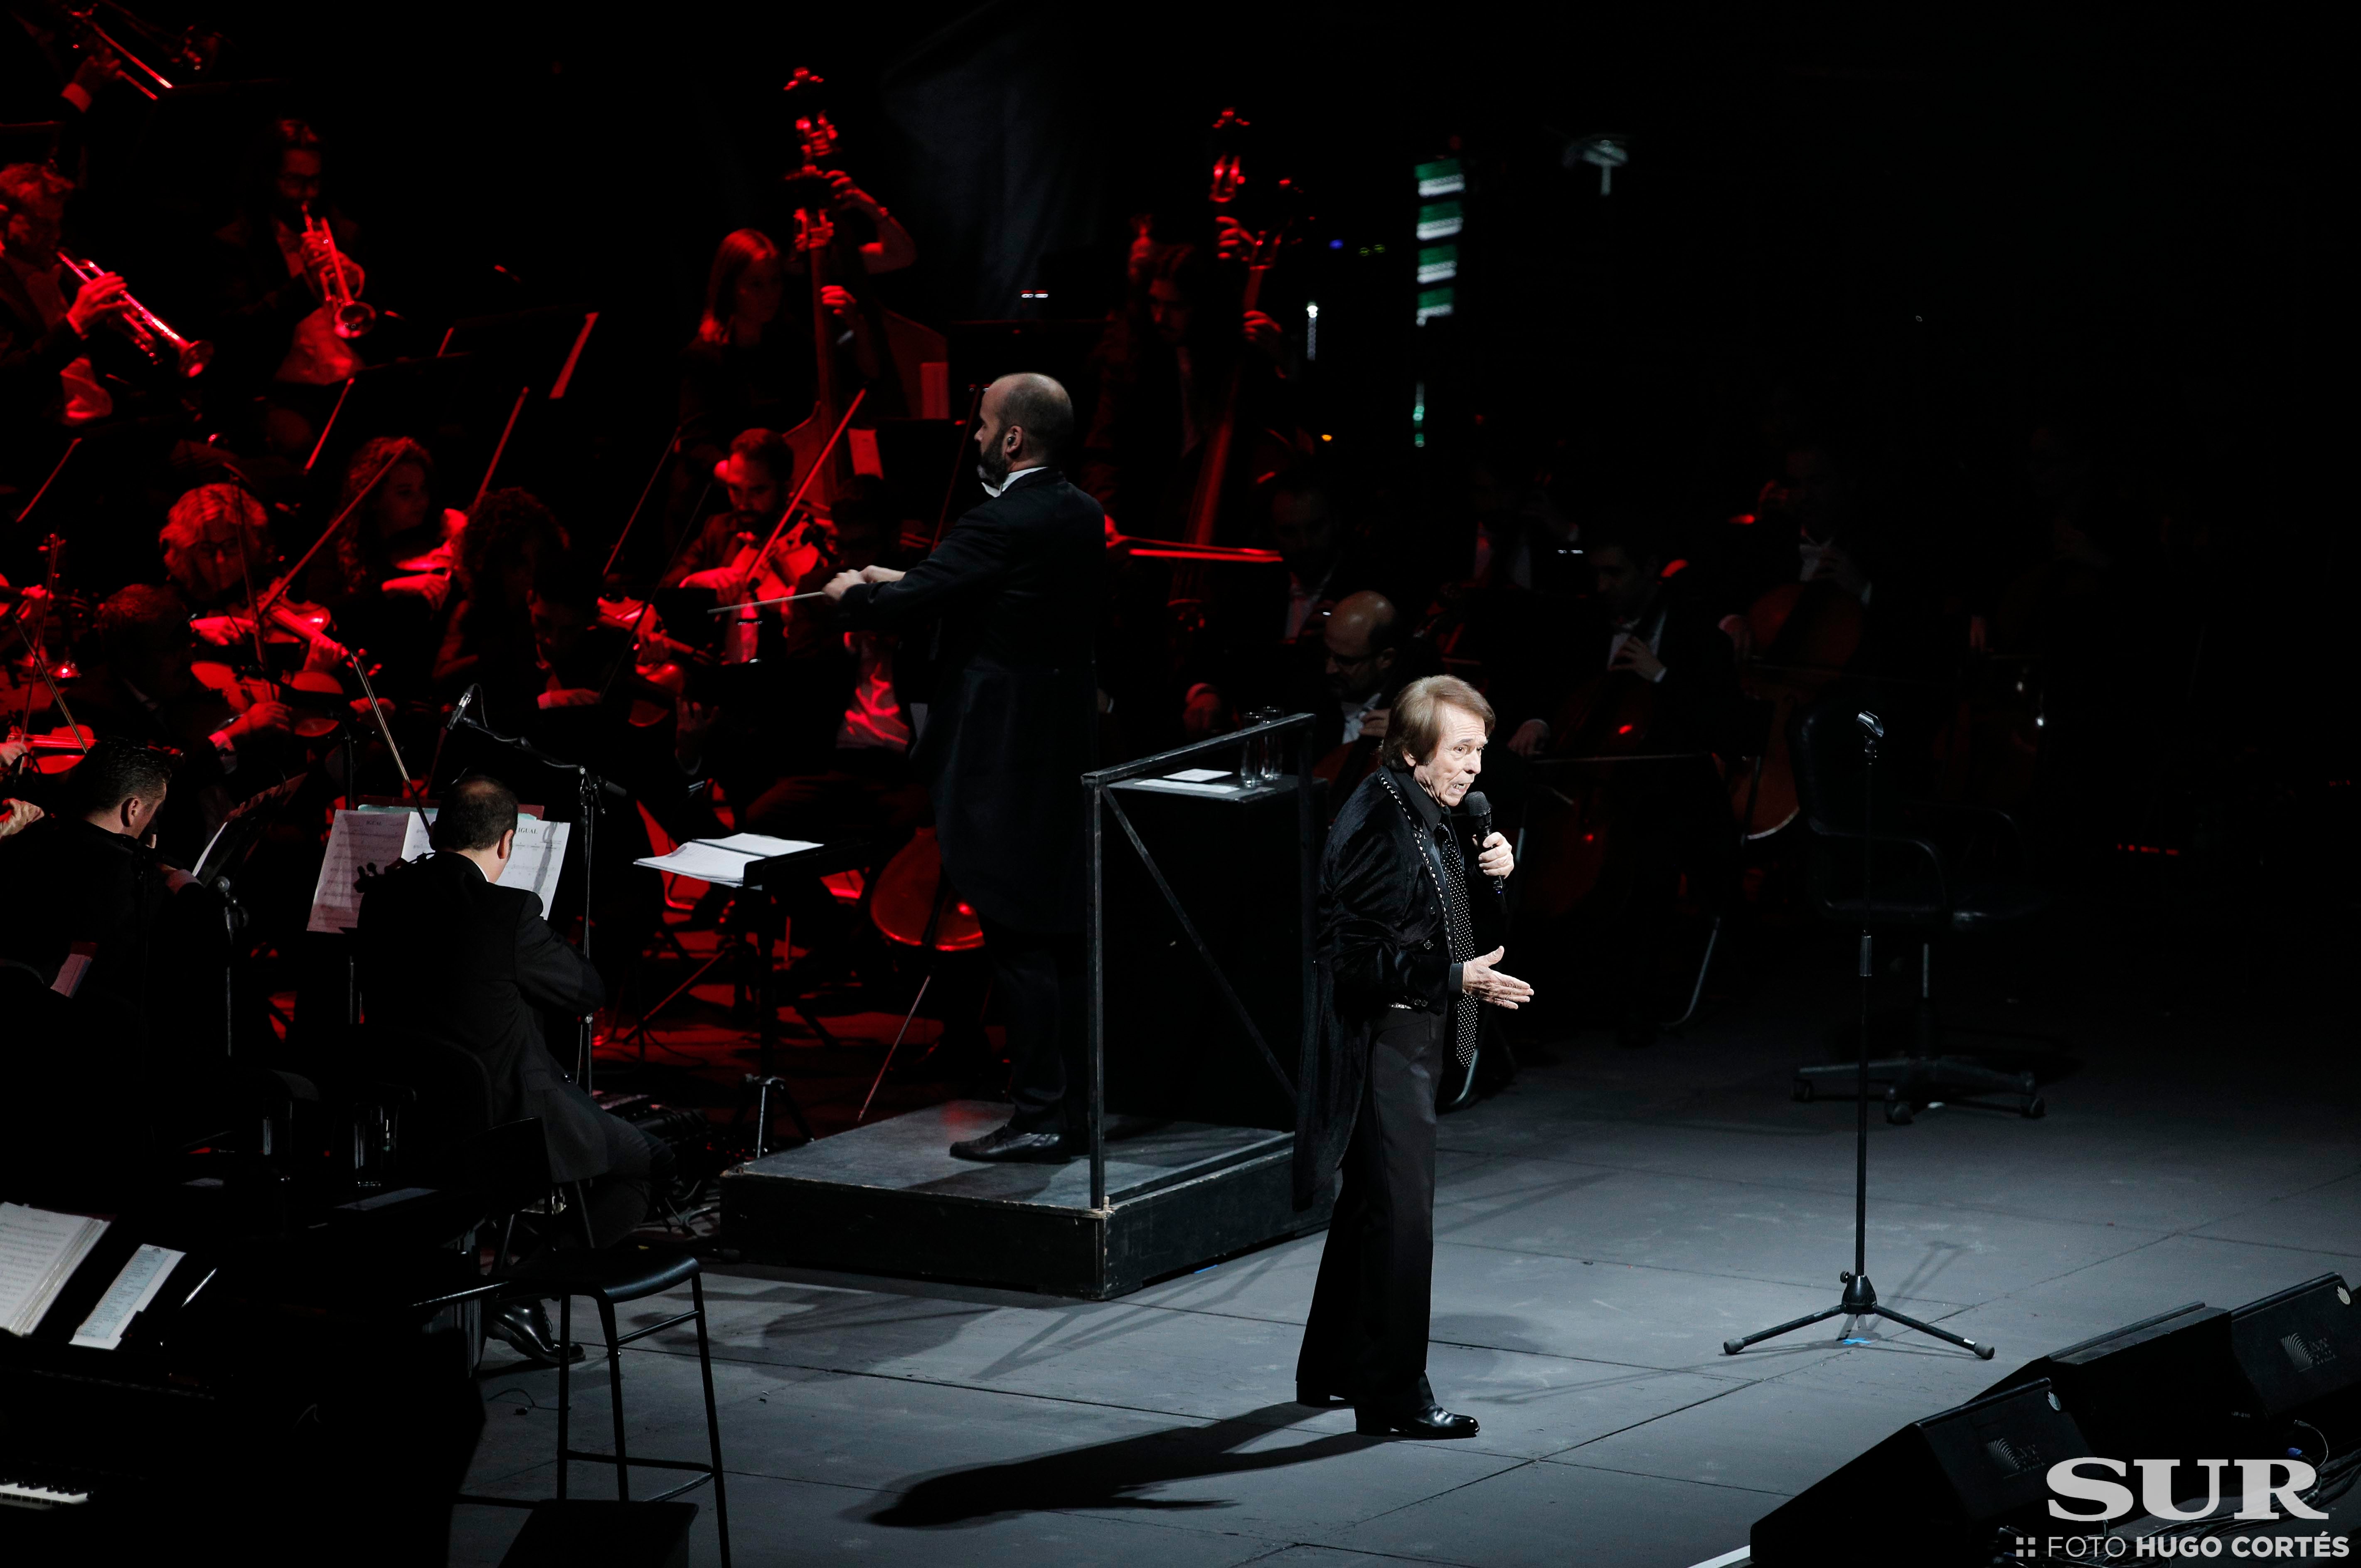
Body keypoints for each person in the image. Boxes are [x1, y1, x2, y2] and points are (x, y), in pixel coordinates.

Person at [824, 372, 1102, 1161]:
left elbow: (891, 610)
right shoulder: (1080, 514)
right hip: (1060, 754)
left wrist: (853, 590)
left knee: (1016, 936)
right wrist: (909, 579)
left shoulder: (1001, 518)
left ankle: (1043, 1114)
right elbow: (993, 594)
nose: (974, 439)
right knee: (1055, 934)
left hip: (1000, 761)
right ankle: (1071, 1105)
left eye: (982, 427)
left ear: (1013, 438)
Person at [355, 773, 667, 1356]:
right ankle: (516, 1290)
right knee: (643, 1164)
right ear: (507, 844)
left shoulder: (383, 898)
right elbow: (586, 991)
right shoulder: (508, 911)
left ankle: (490, 1286)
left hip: (408, 1113)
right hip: (503, 1122)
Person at [1294, 674, 1527, 1436]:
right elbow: (1351, 961)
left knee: (1371, 1206)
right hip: (1382, 1040)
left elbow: (1444, 921)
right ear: (1412, 749)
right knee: (1401, 1218)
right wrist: (1455, 978)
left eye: (1479, 751)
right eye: (1459, 750)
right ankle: (1392, 1394)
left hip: (1412, 1031)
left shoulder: (1430, 810)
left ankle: (1331, 1365)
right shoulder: (1378, 821)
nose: (1473, 767)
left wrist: (1495, 877)